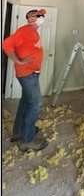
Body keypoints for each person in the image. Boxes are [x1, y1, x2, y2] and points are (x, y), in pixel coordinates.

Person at [2, 9, 49, 152]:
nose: (42, 17)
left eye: (42, 15)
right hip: (27, 74)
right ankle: (27, 141)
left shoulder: (33, 32)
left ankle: (19, 131)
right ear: (31, 18)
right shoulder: (25, 30)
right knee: (35, 103)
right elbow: (6, 44)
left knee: (26, 101)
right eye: (39, 16)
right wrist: (19, 61)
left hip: (31, 73)